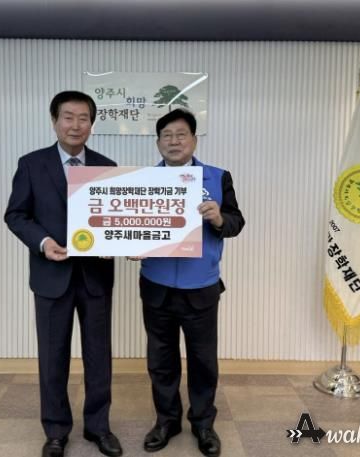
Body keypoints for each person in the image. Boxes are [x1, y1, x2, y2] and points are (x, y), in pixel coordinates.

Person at [4, 91, 122, 457]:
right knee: (52, 356)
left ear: (92, 124)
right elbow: (16, 215)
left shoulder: (107, 166)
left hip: (95, 277)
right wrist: (43, 242)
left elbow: (115, 219)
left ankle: (98, 427)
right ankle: (55, 430)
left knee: (98, 356)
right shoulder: (31, 164)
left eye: (83, 118)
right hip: (50, 275)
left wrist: (119, 240)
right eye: (68, 117)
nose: (75, 125)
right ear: (54, 121)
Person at [134, 109, 244, 457]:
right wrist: (130, 244)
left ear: (194, 140)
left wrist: (219, 218)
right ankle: (167, 421)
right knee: (161, 360)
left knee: (203, 360)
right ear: (158, 143)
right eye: (166, 135)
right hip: (157, 285)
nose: (174, 141)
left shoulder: (217, 177)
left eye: (181, 134)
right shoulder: (141, 181)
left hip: (201, 287)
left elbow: (236, 222)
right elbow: (130, 226)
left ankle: (203, 423)